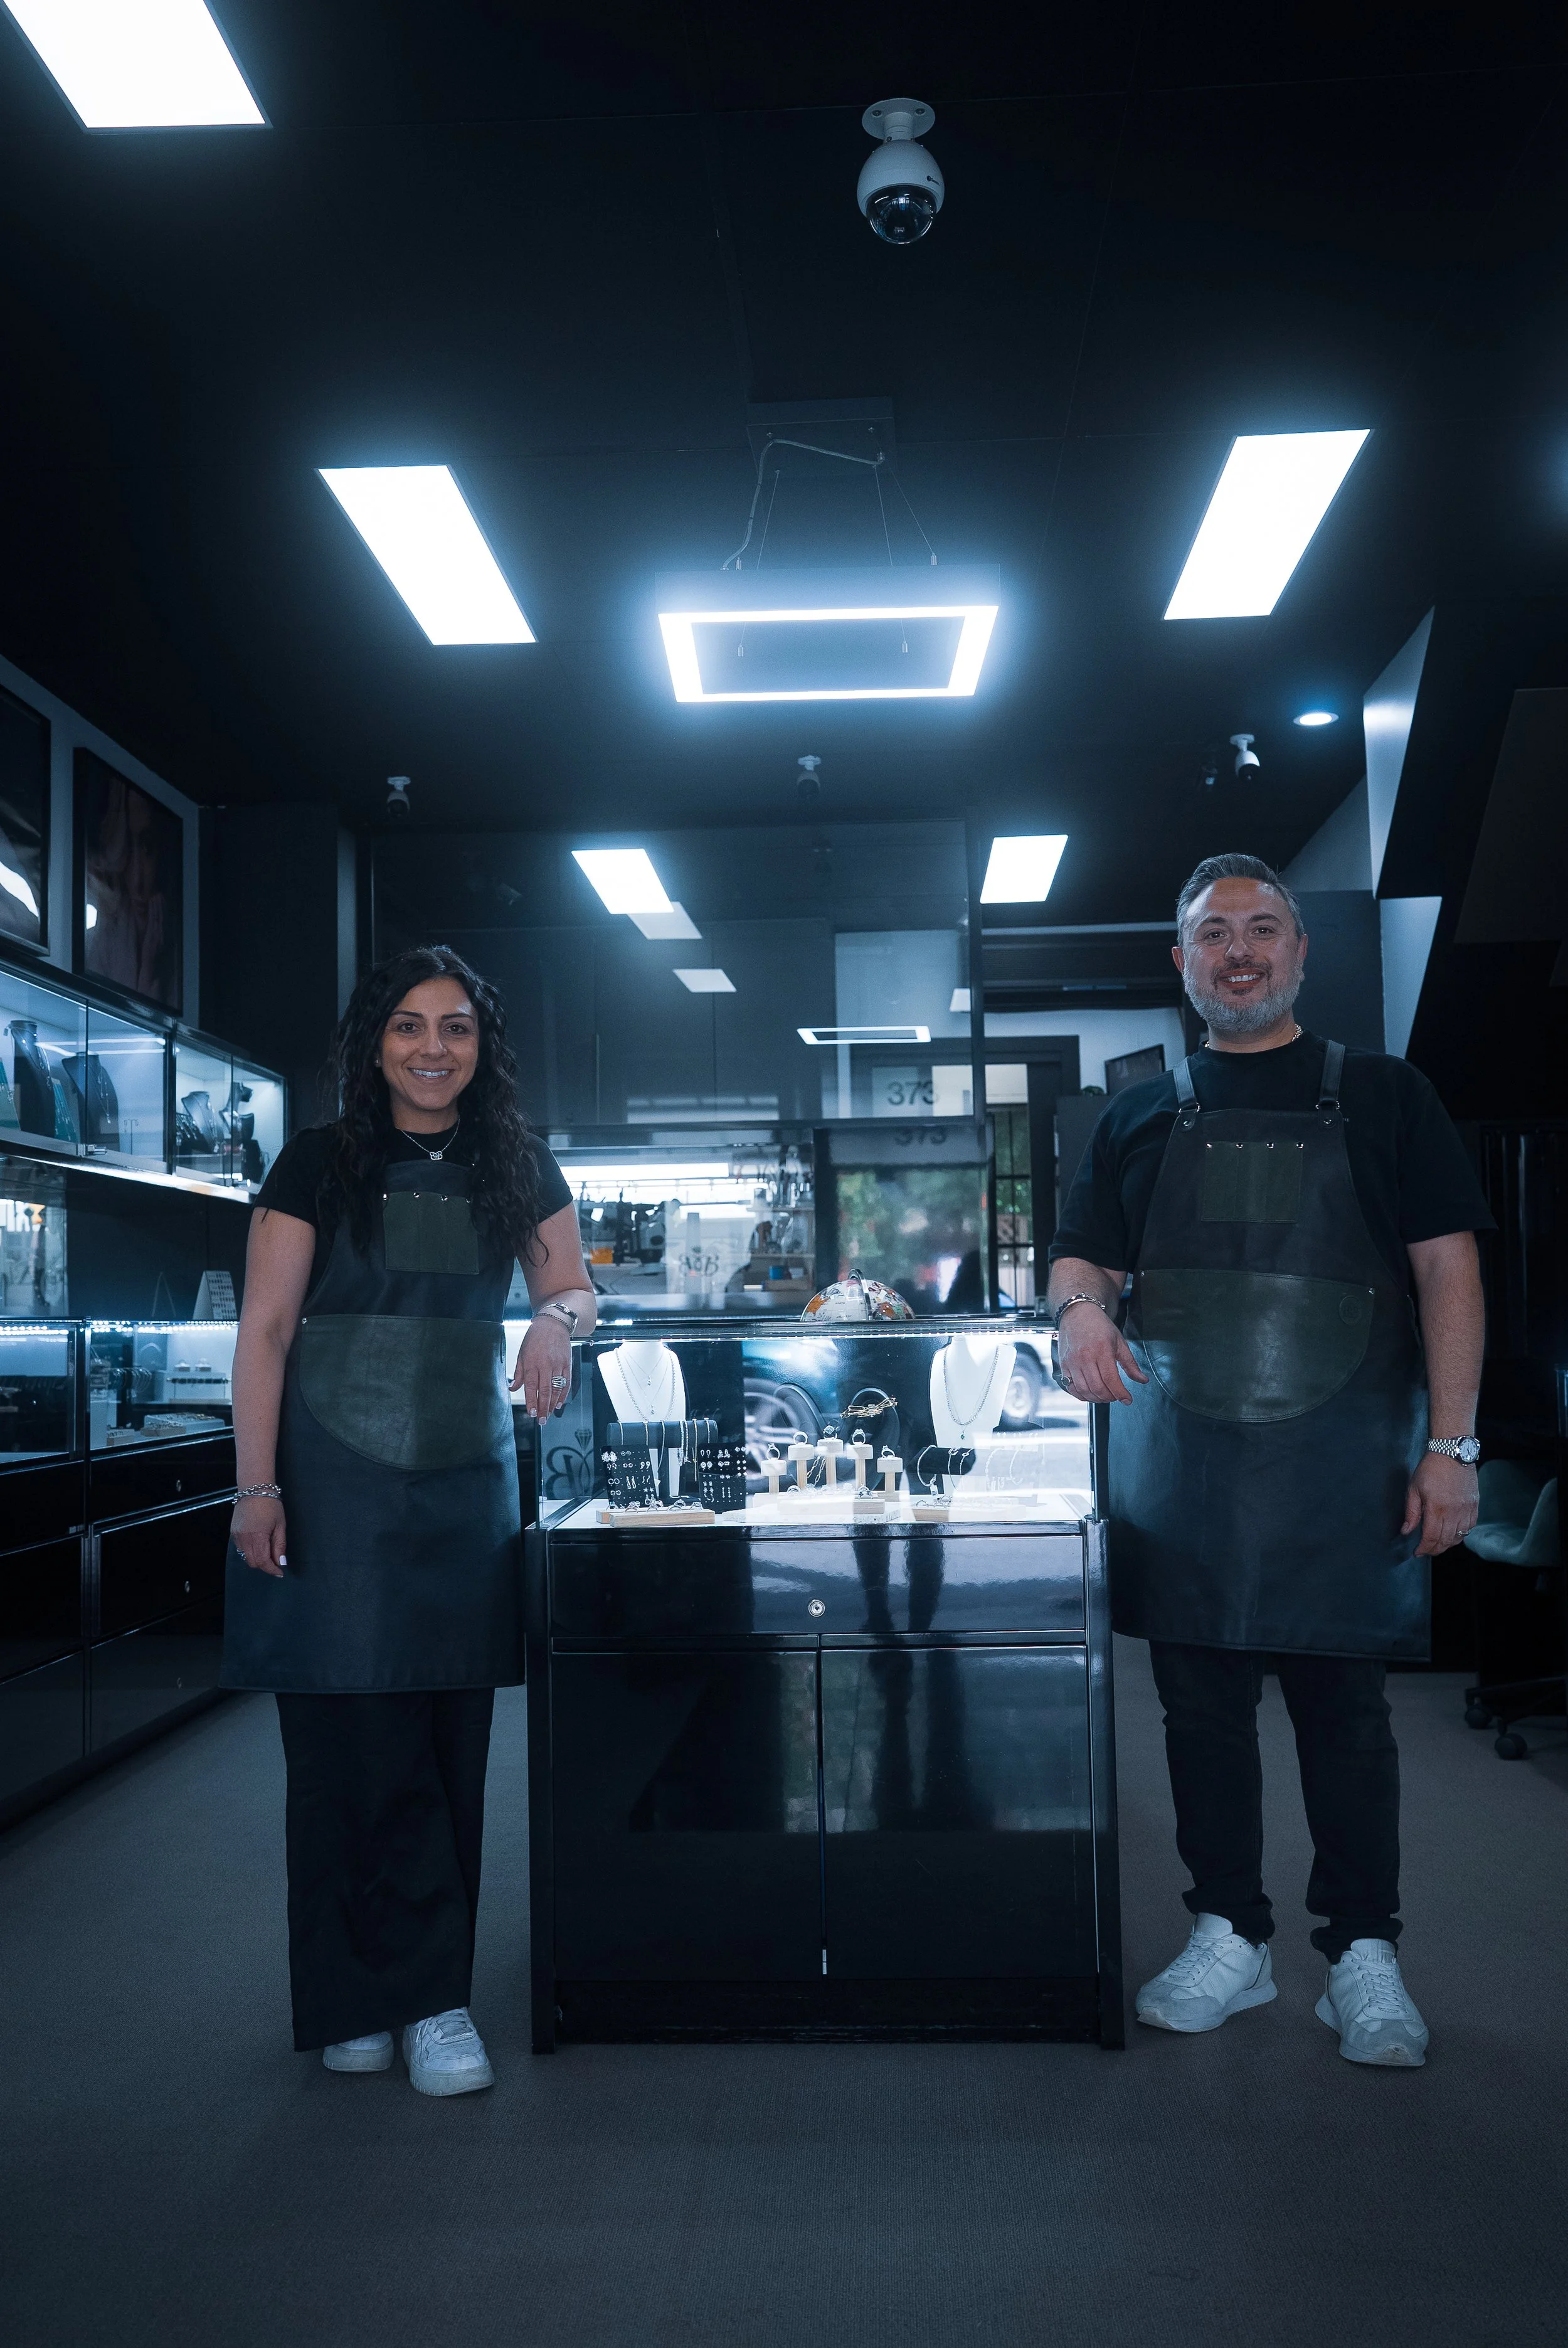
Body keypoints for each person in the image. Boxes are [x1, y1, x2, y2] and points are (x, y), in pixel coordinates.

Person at [1047, 854, 1491, 2068]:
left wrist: (1452, 1446)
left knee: (1347, 1715)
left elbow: (1449, 1272)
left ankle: (1363, 1954)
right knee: (1200, 1712)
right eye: (1212, 935)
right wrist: (1081, 1310)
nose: (1237, 952)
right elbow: (1079, 1257)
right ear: (1181, 963)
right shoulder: (1134, 1113)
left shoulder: (1392, 1096)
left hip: (1347, 1464)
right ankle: (1229, 1934)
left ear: (1302, 951)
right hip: (1185, 1470)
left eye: (1261, 929)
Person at [223, 945, 595, 2095]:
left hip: (459, 1485)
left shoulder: (515, 1163)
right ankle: (352, 1997)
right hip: (327, 1485)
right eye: (408, 1026)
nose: (433, 1048)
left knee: (445, 1742)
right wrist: (256, 1483)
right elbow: (267, 1332)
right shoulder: (316, 1163)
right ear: (373, 1043)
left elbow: (573, 1286)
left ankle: (434, 2000)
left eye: (457, 1029)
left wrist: (557, 1324)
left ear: (484, 1049)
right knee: (339, 1745)